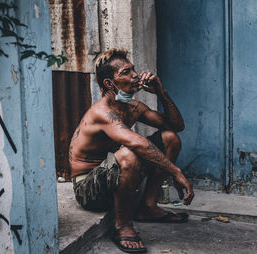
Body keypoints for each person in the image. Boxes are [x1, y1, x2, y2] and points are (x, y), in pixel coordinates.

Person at [68, 49, 194, 253]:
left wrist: (160, 92)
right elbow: (137, 144)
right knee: (130, 153)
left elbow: (176, 125)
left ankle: (148, 207)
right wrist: (176, 172)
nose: (135, 75)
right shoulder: (102, 112)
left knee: (170, 138)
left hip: (114, 175)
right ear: (110, 83)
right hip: (88, 188)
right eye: (126, 72)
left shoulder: (133, 107)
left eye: (133, 69)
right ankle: (122, 226)